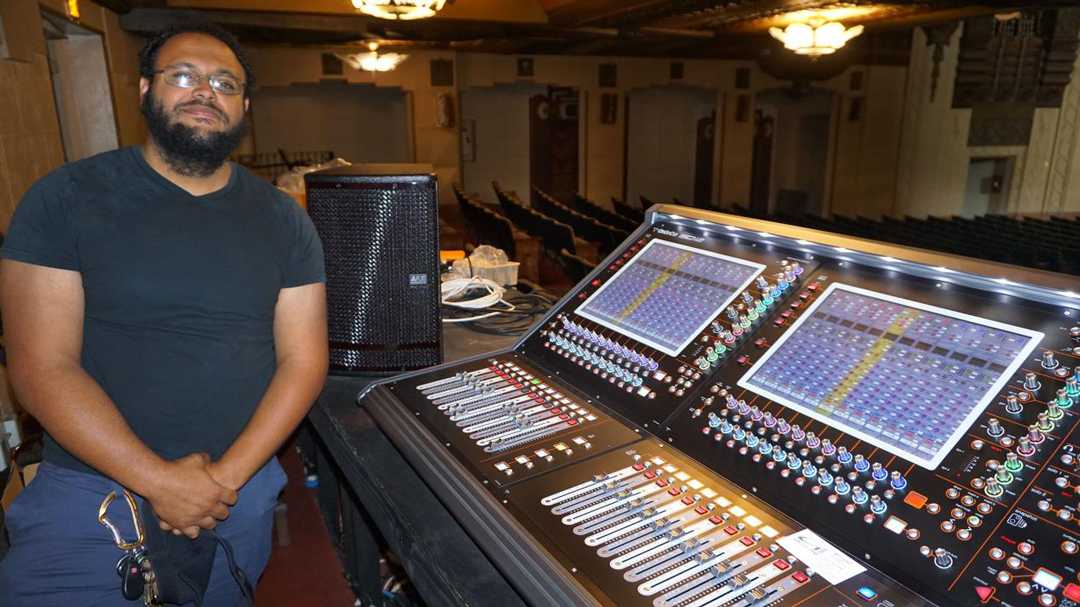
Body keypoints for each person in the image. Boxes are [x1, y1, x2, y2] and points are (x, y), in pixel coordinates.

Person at [0, 23, 328, 606]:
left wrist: (218, 485)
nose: (205, 91)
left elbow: (303, 360)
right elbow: (40, 364)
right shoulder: (66, 198)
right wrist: (159, 482)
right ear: (146, 90)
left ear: (244, 105)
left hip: (236, 493)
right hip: (93, 489)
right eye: (184, 76)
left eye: (224, 82)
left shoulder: (284, 219)